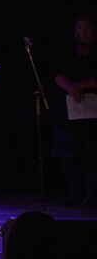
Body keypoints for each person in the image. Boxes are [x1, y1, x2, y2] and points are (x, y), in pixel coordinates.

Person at [51, 14, 97, 205]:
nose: (81, 33)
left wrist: (82, 86)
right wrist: (71, 87)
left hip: (92, 111)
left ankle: (92, 196)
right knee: (70, 154)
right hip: (71, 112)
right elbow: (57, 75)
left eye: (86, 29)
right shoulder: (68, 52)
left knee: (92, 156)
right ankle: (74, 195)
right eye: (79, 29)